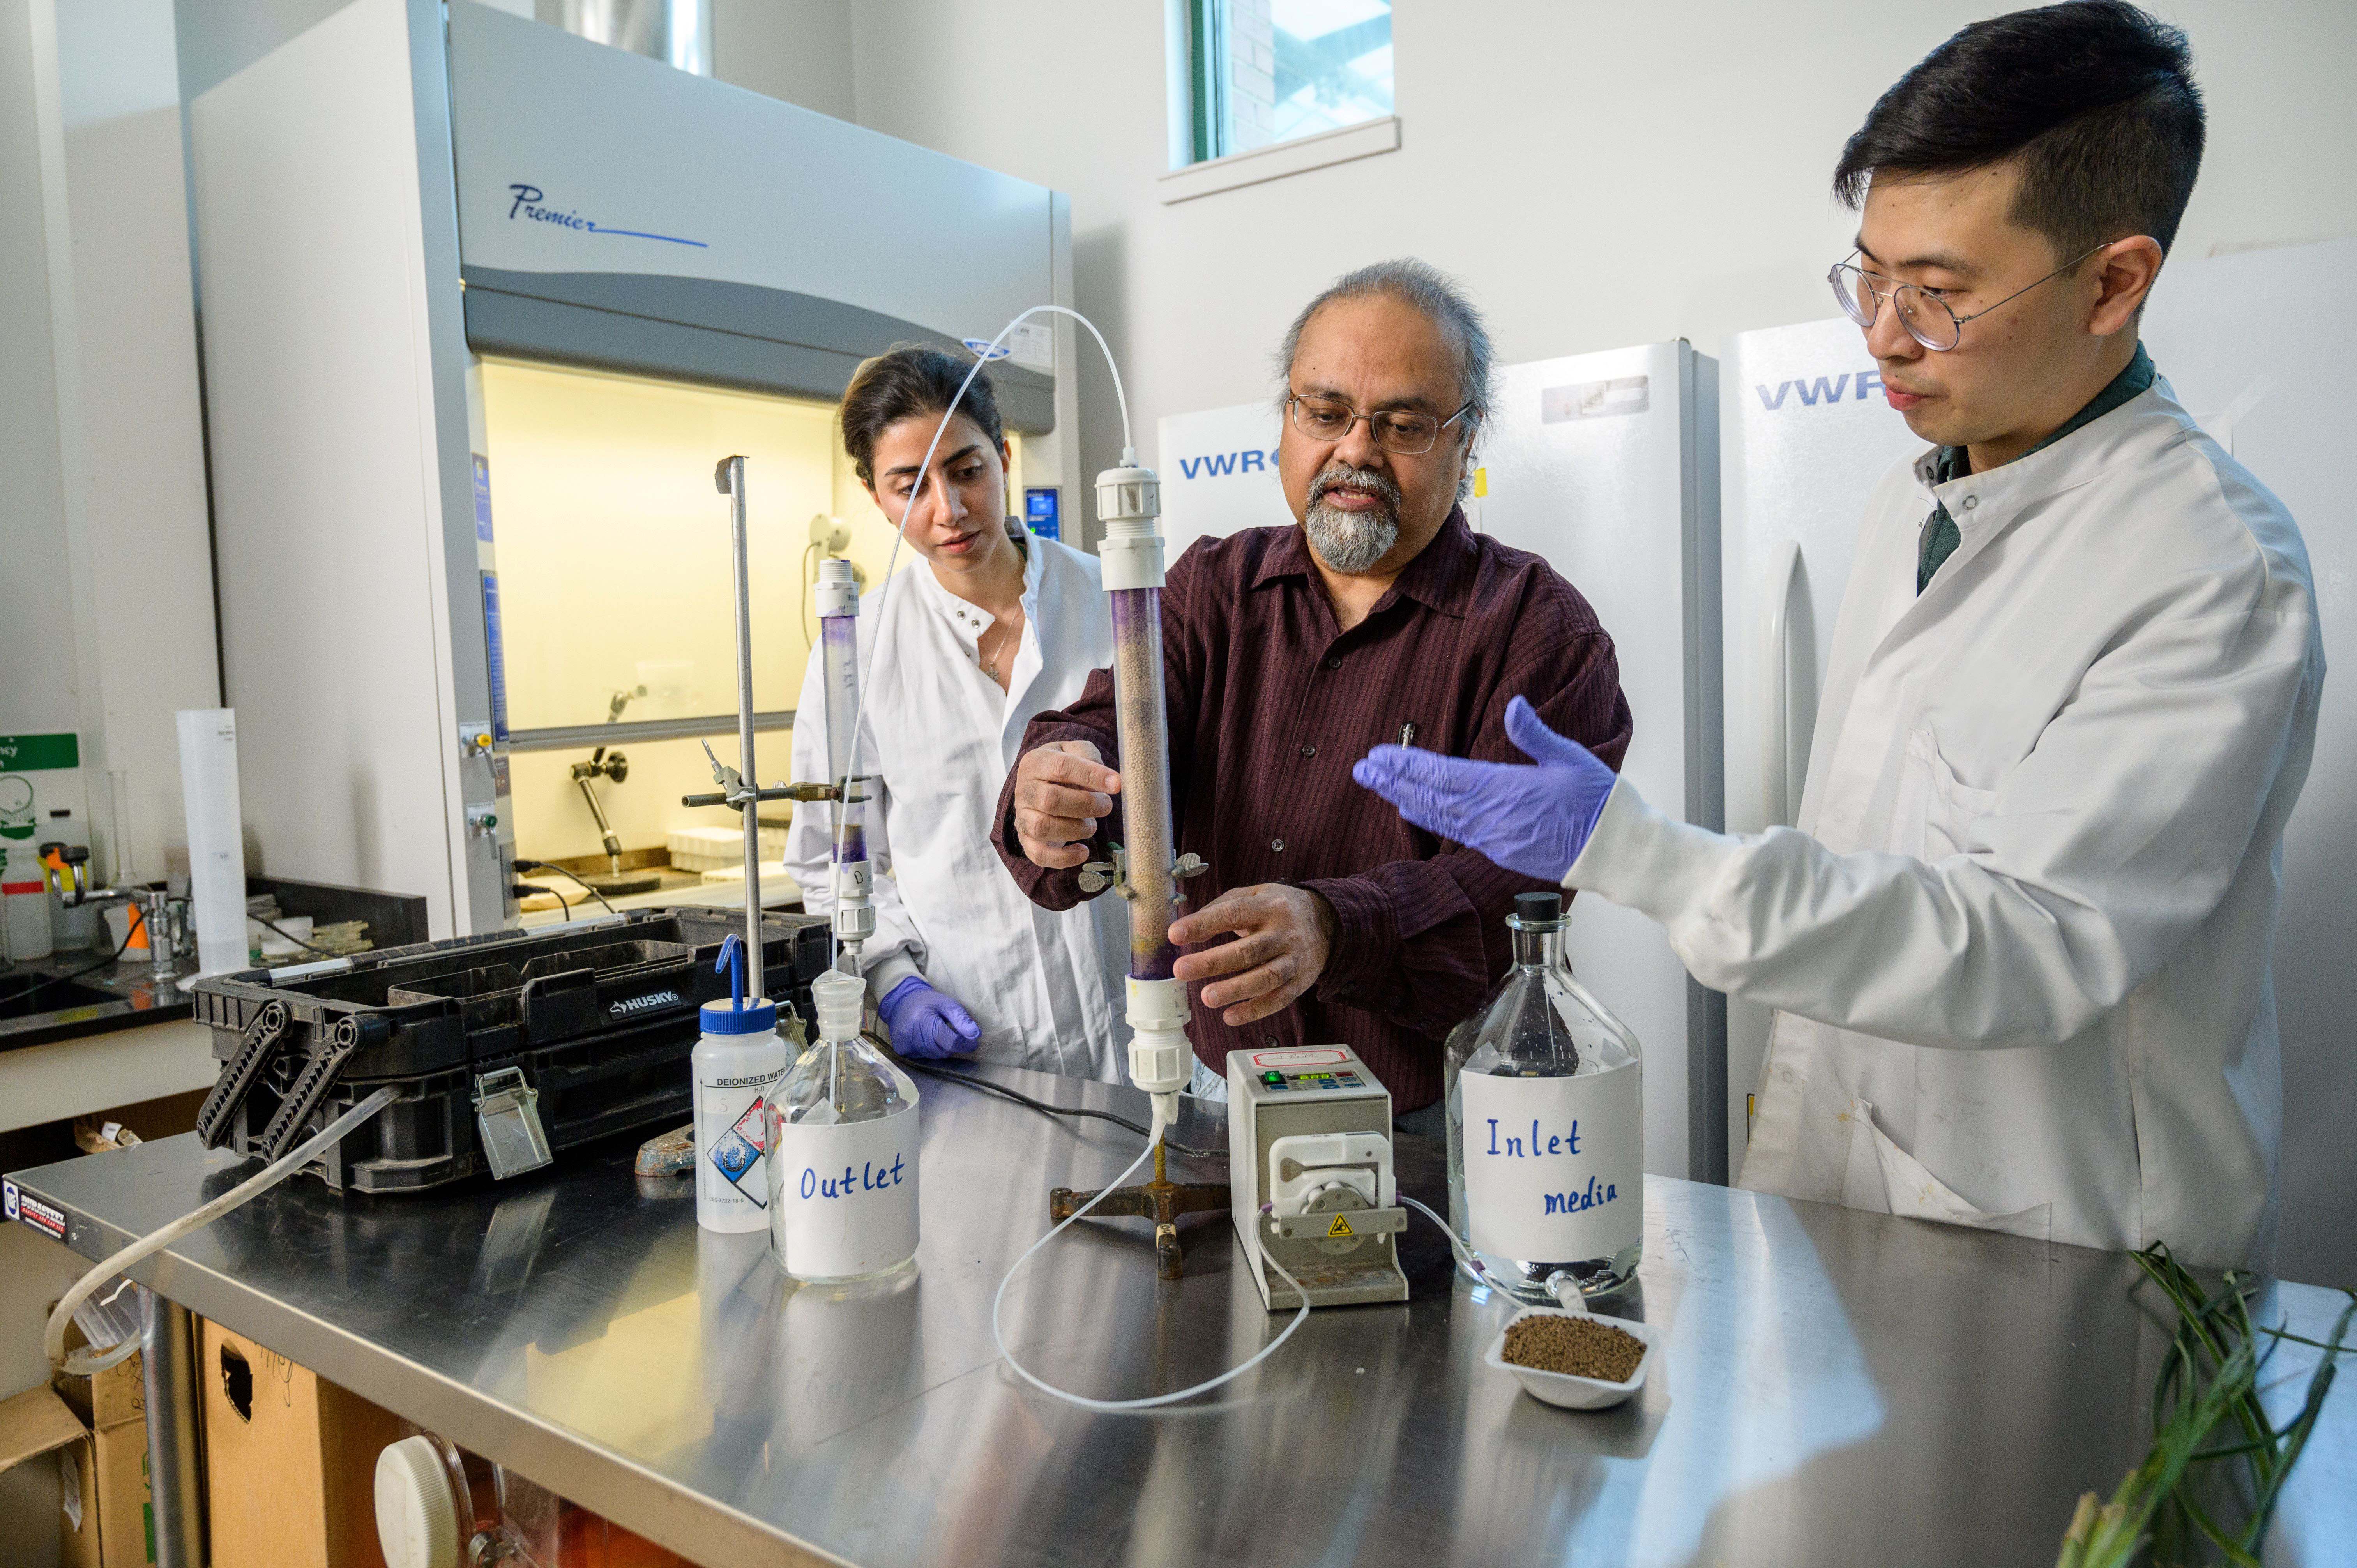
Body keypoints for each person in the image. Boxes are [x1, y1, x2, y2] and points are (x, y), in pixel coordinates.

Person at [1354, 3, 2319, 1269]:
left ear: (2112, 280)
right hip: (1842, 1187)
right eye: (1867, 273)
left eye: (1937, 292)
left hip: (2068, 1250)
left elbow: (2022, 942)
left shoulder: (2207, 571)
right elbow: (1868, 869)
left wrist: (1644, 854)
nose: (1877, 333)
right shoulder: (1910, 501)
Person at [993, 260, 1634, 1122]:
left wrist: (1335, 926)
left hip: (1446, 1120)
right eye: (1326, 413)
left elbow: (1516, 896)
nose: (1356, 449)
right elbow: (1115, 723)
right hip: (1223, 1097)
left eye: (1402, 424)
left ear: (1465, 437)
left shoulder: (1540, 634)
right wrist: (1059, 777)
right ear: (1288, 420)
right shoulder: (1211, 587)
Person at [784, 346, 1129, 1080]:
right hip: (981, 1047)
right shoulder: (857, 650)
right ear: (876, 497)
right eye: (910, 487)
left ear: (1004, 456)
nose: (949, 509)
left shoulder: (1117, 603)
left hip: (1146, 1027)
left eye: (967, 470)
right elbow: (831, 856)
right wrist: (893, 983)